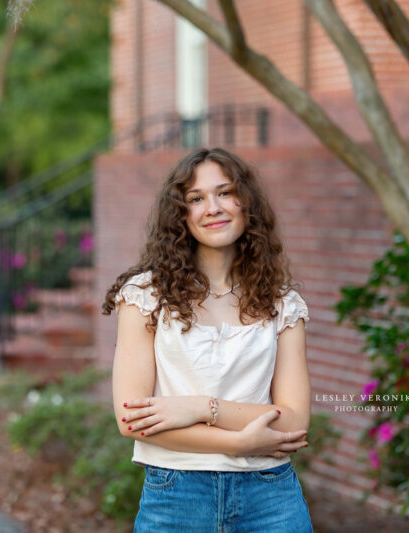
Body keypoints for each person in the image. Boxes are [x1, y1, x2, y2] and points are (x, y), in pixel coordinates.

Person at [102, 147, 313, 532]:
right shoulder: (145, 296)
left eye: (225, 192)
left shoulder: (283, 304)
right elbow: (131, 420)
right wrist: (235, 444)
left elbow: (295, 421)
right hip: (176, 495)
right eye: (195, 199)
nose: (212, 207)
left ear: (246, 203)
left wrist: (201, 408)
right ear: (180, 216)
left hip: (270, 498)